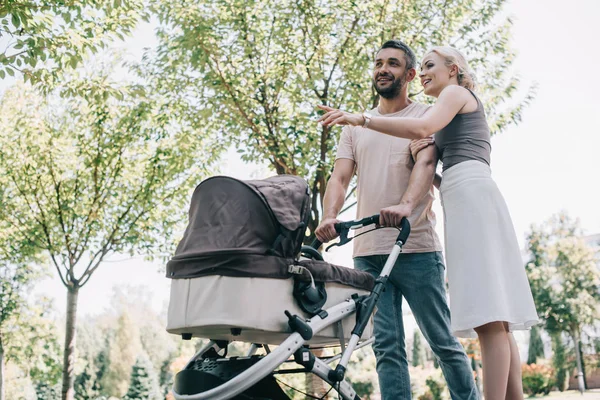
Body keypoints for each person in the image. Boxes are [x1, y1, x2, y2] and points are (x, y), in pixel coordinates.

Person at [318, 45, 539, 400]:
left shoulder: (441, 105)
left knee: (467, 328)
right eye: (378, 63)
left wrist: (406, 202)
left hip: (428, 235)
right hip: (395, 233)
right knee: (398, 345)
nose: (421, 72)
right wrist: (330, 215)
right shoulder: (435, 110)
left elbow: (424, 151)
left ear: (452, 69)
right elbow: (344, 177)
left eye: (424, 65)